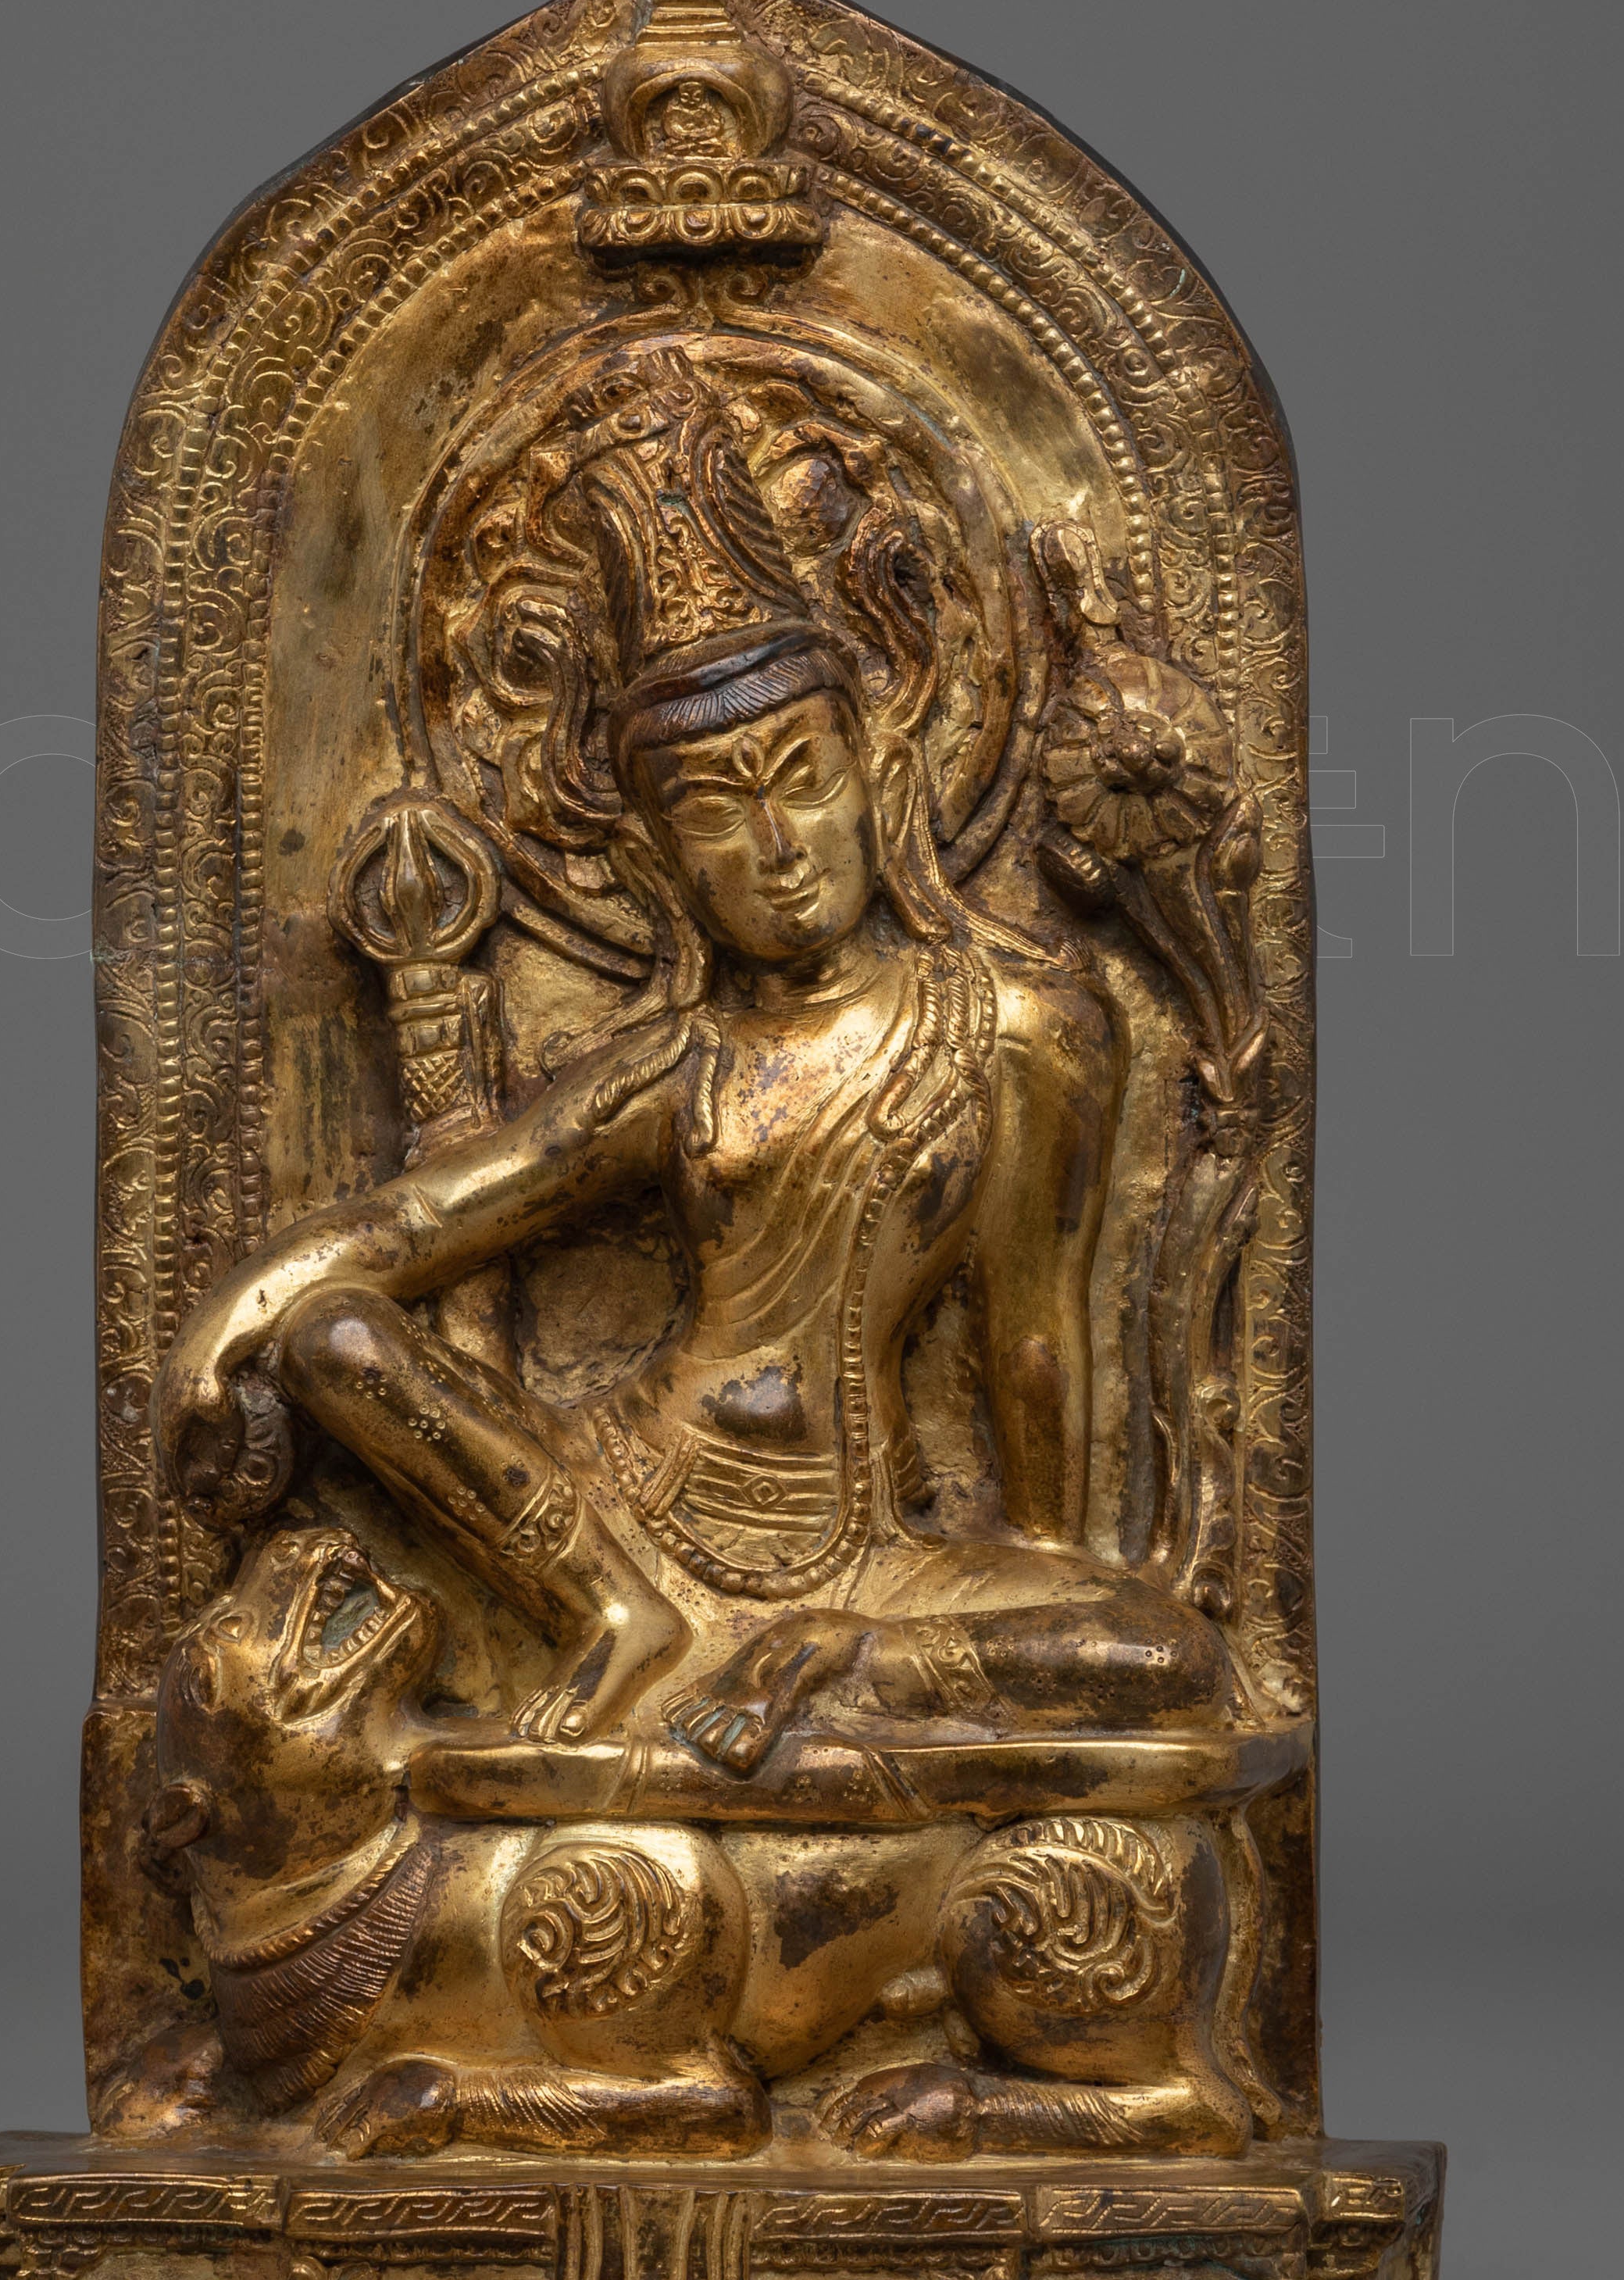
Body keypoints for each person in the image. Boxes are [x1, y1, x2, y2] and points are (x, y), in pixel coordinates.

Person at [160, 598, 1228, 1770]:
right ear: (654, 863)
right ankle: (612, 1618)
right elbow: (425, 1219)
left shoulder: (1022, 1027)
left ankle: (838, 1660)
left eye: (804, 780)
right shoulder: (679, 1068)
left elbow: (1035, 1329)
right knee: (333, 1340)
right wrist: (226, 1321)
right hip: (621, 1504)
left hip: (867, 1543)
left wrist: (1047, 1573)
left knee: (1168, 1658)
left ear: (884, 781)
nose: (778, 846)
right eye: (716, 811)